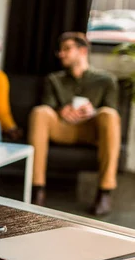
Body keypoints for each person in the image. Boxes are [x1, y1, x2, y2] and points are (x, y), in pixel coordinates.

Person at [28, 32, 120, 216]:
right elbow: (49, 106)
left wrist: (92, 112)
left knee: (109, 114)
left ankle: (104, 192)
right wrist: (62, 110)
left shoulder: (106, 80)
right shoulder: (54, 79)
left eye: (67, 49)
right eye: (60, 50)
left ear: (83, 51)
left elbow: (110, 108)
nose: (61, 53)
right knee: (40, 112)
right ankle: (37, 190)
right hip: (62, 128)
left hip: (91, 130)